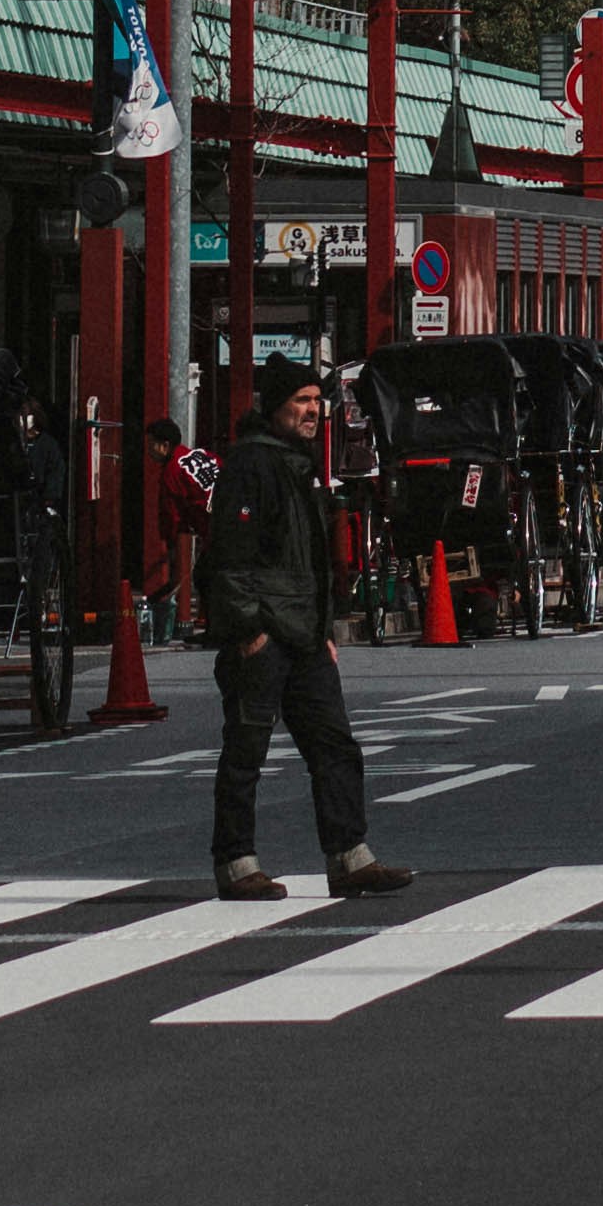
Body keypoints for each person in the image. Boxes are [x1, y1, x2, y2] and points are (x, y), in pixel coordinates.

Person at [201, 382, 413, 913]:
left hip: (304, 634)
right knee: (246, 751)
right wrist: (250, 628)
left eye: (317, 401)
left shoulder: (299, 465)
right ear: (273, 407)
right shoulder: (251, 464)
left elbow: (313, 559)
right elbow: (229, 553)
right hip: (267, 632)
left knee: (335, 746)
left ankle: (350, 857)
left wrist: (323, 629)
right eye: (299, 400)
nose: (313, 411)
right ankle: (236, 863)